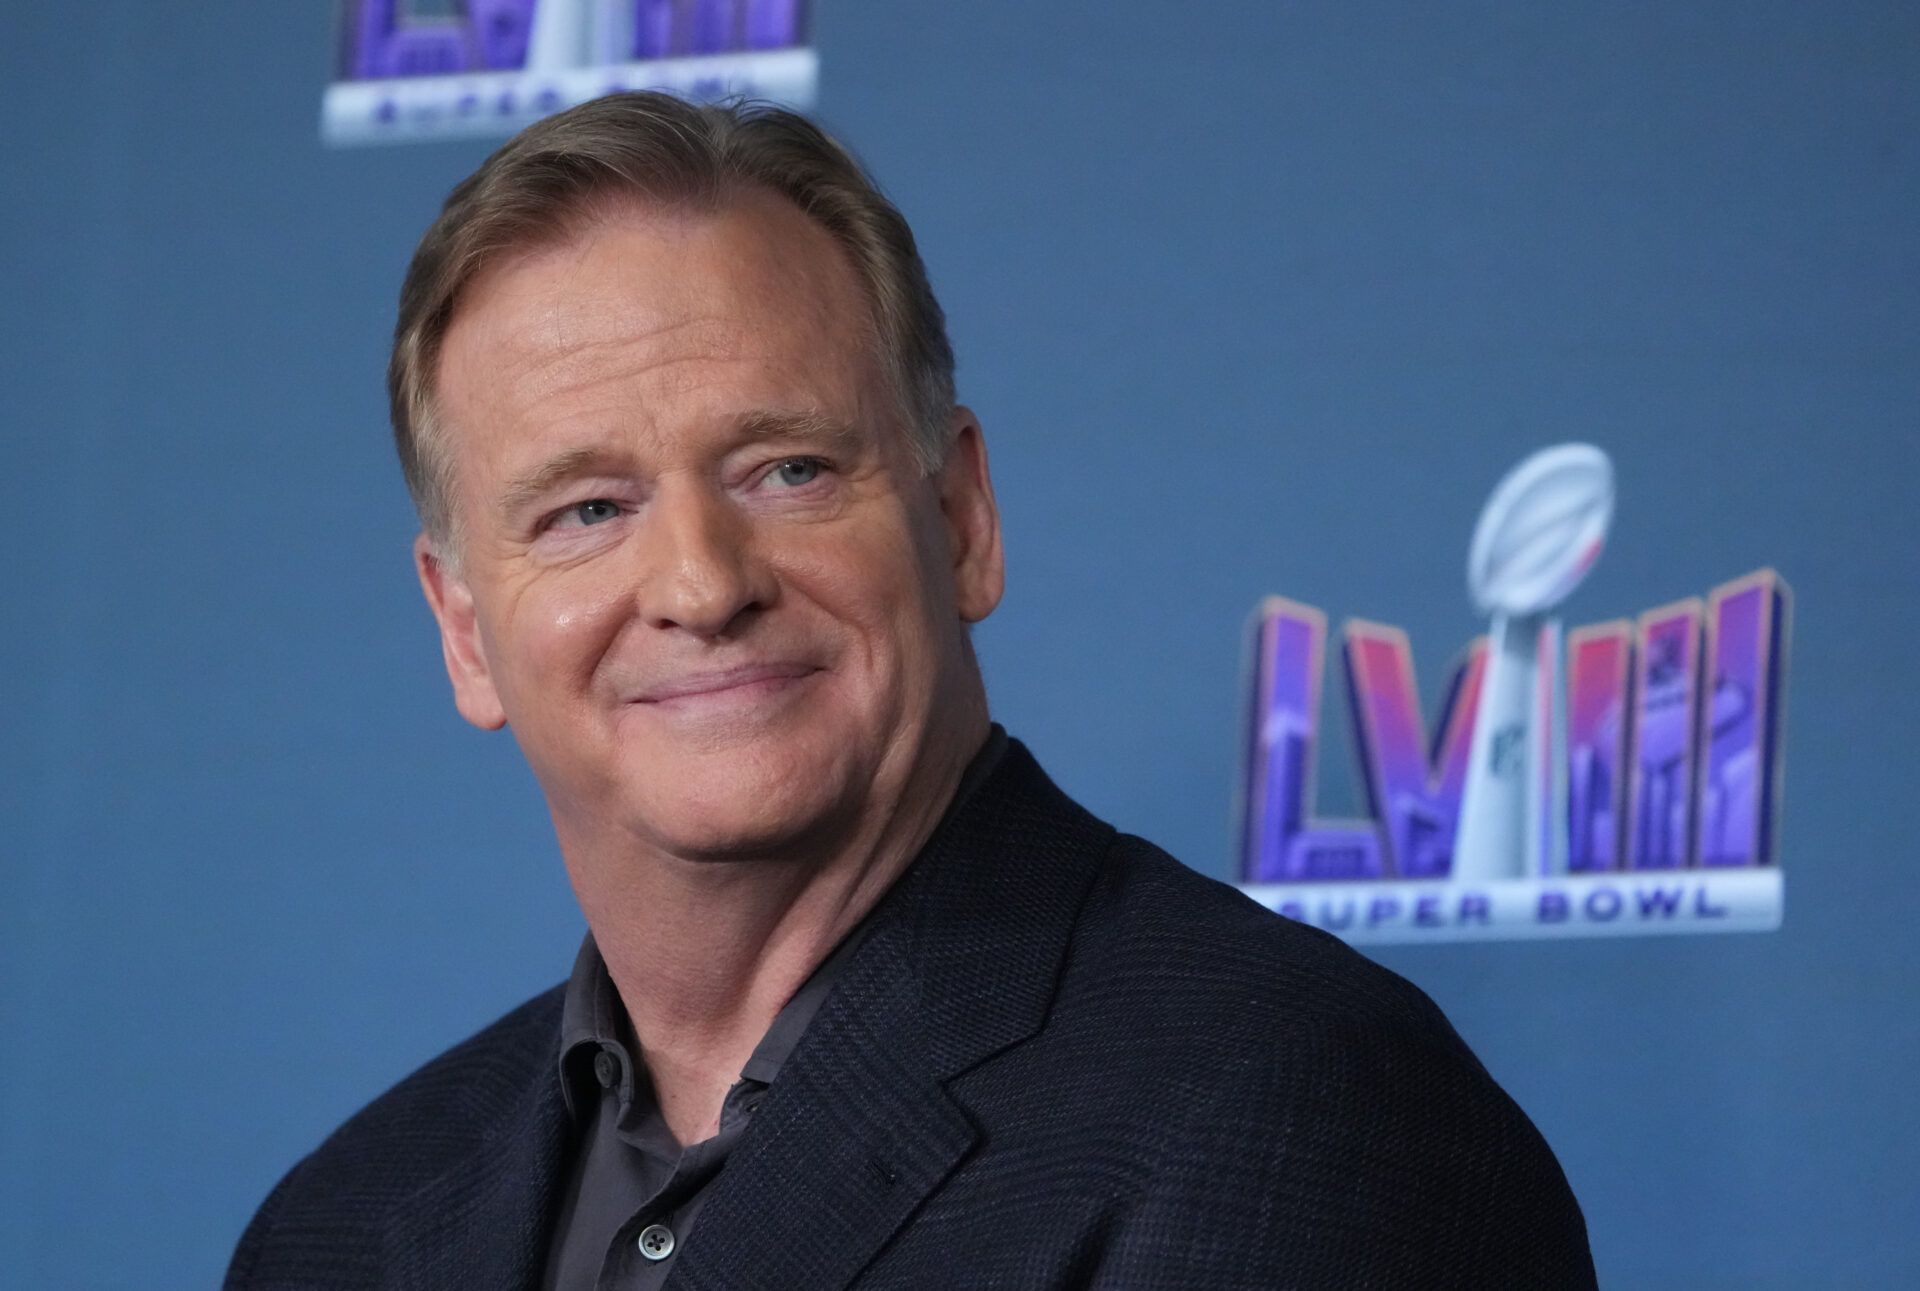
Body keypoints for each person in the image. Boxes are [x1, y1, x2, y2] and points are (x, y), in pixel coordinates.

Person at [225, 92, 1595, 1289]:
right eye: (588, 509)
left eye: (788, 471)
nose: (702, 583)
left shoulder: (1296, 1108)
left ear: (960, 517)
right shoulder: (340, 1230)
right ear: (465, 630)